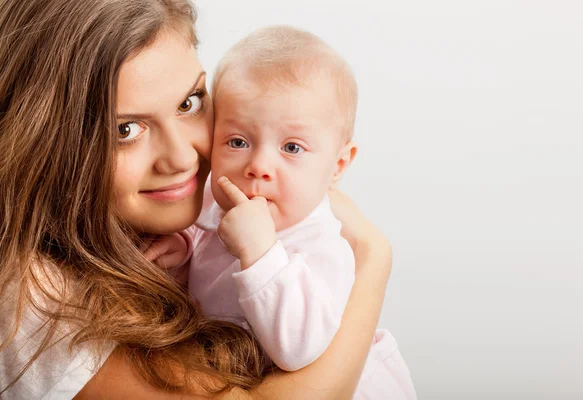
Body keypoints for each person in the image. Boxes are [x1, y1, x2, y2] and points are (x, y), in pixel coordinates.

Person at [0, 0, 395, 399]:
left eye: (188, 103)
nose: (184, 158)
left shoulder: (189, 218)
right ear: (41, 140)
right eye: (126, 129)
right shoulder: (29, 293)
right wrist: (374, 259)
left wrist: (186, 248)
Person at [147, 26, 417, 400]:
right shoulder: (216, 197)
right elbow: (206, 243)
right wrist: (184, 248)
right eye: (238, 141)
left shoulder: (323, 244)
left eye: (291, 147)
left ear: (338, 164)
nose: (259, 165)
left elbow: (297, 350)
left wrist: (260, 253)